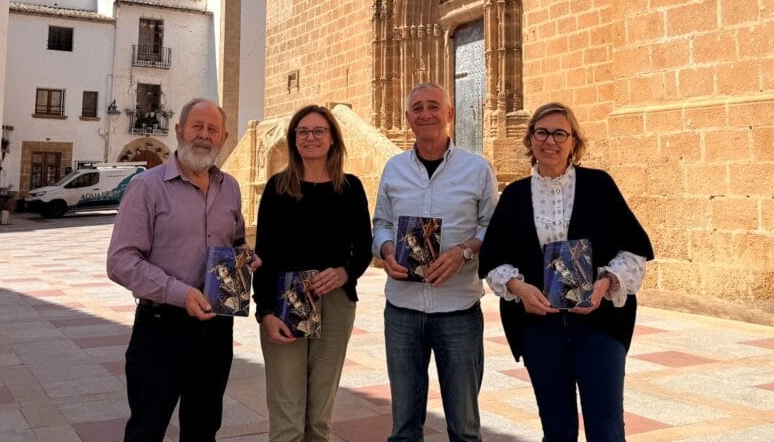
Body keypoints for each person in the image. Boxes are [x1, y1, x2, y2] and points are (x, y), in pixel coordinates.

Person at [478, 102, 654, 442]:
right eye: (541, 132)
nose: (550, 141)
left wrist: (604, 284)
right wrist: (519, 288)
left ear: (574, 142)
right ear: (530, 140)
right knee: (557, 430)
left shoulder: (599, 185)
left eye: (561, 133)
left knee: (606, 430)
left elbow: (634, 250)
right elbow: (494, 260)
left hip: (598, 325)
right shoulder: (514, 196)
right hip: (541, 328)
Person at [106, 98, 257, 442]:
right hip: (161, 327)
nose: (204, 136)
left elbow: (234, 242)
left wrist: (245, 258)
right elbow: (121, 260)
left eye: (212, 129)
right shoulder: (147, 187)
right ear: (179, 131)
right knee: (147, 429)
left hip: (216, 328)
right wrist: (181, 293)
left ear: (224, 137)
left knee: (203, 429)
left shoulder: (230, 187)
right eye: (197, 127)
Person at [373, 83, 497, 442]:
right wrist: (385, 251)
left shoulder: (477, 169)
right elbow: (380, 223)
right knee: (404, 427)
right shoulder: (394, 169)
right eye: (417, 108)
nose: (425, 113)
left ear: (450, 114)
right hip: (402, 310)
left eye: (433, 106)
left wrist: (465, 252)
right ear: (408, 118)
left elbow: (493, 226)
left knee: (465, 427)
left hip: (458, 309)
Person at [253, 104, 372, 442]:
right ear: (293, 140)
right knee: (288, 419)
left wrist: (345, 273)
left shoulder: (350, 188)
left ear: (333, 138)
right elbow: (264, 254)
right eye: (302, 132)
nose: (311, 138)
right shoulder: (278, 188)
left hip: (334, 304)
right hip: (284, 304)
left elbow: (364, 247)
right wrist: (264, 312)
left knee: (319, 419)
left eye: (319, 131)